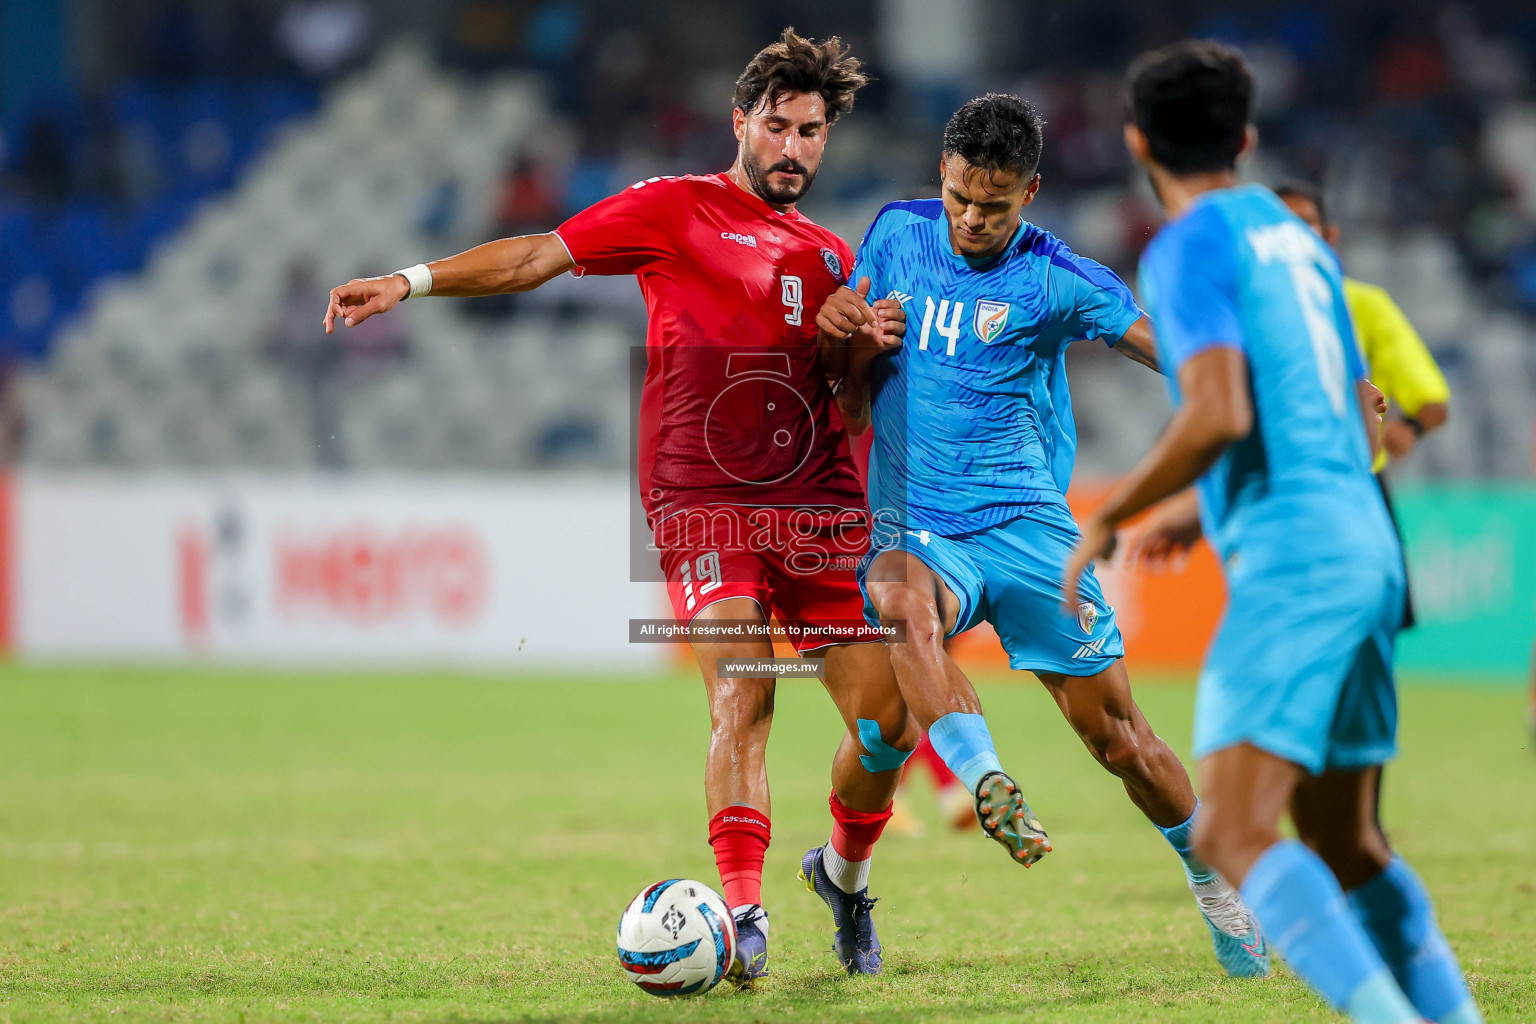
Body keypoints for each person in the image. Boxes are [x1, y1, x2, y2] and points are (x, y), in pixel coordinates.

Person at [322, 29, 918, 982]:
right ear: (741, 122)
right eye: (778, 126)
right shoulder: (673, 210)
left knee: (888, 725)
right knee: (743, 687)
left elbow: (848, 408)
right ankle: (743, 912)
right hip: (702, 502)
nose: (795, 148)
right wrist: (410, 280)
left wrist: (861, 345)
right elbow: (535, 259)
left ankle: (842, 878)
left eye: (812, 132)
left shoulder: (830, 255)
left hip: (817, 505)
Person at [1063, 40, 1482, 1024]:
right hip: (1368, 544)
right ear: (1245, 138)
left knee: (1235, 836)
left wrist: (1114, 512)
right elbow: (1355, 405)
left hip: (1298, 561)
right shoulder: (1300, 243)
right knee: (1348, 843)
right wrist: (1189, 509)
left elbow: (1216, 413)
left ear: (1136, 144)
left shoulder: (1189, 243)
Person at [818, 92, 1268, 978]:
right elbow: (851, 390)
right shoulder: (894, 235)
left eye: (994, 203)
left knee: (1122, 740)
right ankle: (983, 782)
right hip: (915, 520)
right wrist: (855, 343)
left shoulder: (1059, 277)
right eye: (958, 197)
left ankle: (1217, 888)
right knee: (901, 616)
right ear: (940, 177)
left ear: (1031, 191)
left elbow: (1169, 349)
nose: (972, 219)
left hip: (1026, 529)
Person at [1276, 179, 1451, 630]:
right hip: (1281, 490)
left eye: (1305, 225)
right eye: (1282, 226)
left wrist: (1408, 427)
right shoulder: (1248, 310)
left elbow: (1431, 400)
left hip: (1357, 489)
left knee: (1371, 627)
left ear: (1329, 235)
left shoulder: (1364, 307)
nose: (1294, 237)